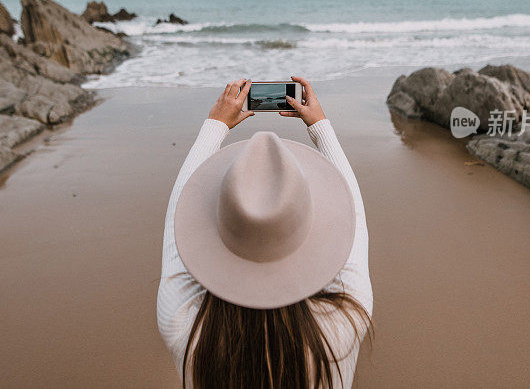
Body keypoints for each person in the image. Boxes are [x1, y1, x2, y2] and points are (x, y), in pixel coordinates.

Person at [157, 76, 373, 388]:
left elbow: (175, 230)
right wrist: (321, 127)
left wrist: (215, 125)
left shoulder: (182, 325)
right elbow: (354, 217)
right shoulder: (347, 318)